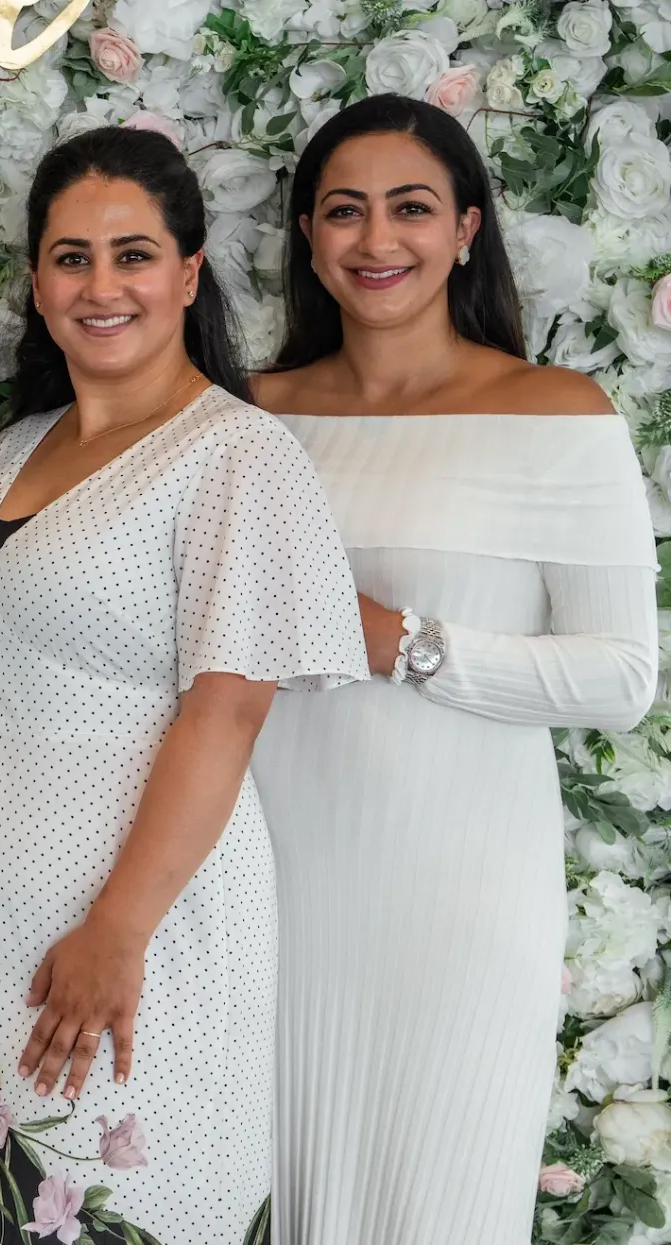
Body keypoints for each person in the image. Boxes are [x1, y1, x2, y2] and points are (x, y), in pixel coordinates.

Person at [0, 126, 366, 1245]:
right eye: (71, 258)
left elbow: (227, 710)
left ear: (191, 271)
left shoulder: (237, 456)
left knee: (132, 1208)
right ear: (36, 279)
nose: (99, 287)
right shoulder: (5, 455)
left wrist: (118, 928)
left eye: (133, 255)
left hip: (139, 936)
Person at [250, 93, 657, 1245]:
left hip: (460, 900)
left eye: (411, 209)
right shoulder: (249, 417)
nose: (378, 242)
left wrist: (411, 646)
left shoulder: (558, 415)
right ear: (308, 237)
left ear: (468, 228)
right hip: (266, 885)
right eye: (345, 213)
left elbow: (620, 676)